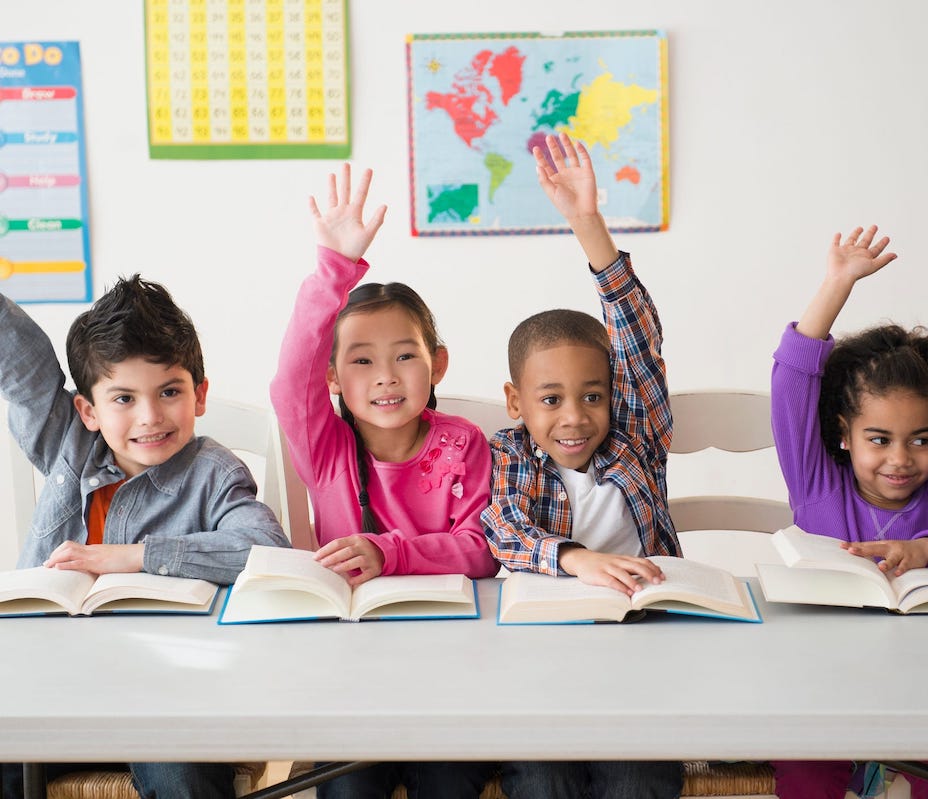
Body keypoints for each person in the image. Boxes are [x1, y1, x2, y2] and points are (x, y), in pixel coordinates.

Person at [0, 277, 289, 799]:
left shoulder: (214, 473)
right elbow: (20, 362)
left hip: (168, 697)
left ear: (199, 394)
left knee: (179, 768)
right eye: (124, 398)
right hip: (52, 690)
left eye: (169, 392)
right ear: (88, 411)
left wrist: (134, 558)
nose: (150, 416)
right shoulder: (69, 445)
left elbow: (265, 549)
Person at [769, 225, 928, 799]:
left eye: (920, 440)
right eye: (879, 439)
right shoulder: (817, 488)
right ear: (843, 434)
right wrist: (837, 284)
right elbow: (792, 379)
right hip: (823, 691)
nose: (900, 460)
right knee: (806, 775)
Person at [269, 164, 498, 799]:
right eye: (362, 361)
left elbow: (482, 548)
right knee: (346, 788)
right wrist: (334, 268)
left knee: (448, 782)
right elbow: (291, 381)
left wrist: (387, 551)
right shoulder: (327, 448)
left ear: (437, 364)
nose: (386, 376)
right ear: (334, 379)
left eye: (405, 356)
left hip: (450, 665)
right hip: (351, 671)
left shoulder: (463, 443)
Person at [482, 132, 682, 799]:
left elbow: (635, 337)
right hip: (542, 661)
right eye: (551, 399)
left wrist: (588, 226)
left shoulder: (636, 439)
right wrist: (578, 559)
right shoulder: (511, 454)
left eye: (592, 395)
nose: (575, 416)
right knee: (542, 776)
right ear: (517, 402)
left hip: (641, 653)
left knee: (636, 776)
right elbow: (504, 530)